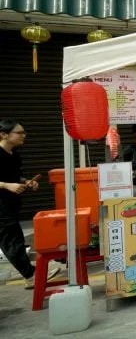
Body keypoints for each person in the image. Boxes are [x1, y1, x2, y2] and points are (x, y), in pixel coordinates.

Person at [1, 120, 60, 289]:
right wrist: (6, 185)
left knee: (13, 241)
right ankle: (31, 275)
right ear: (4, 134)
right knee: (13, 242)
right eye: (19, 133)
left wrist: (27, 182)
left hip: (10, 204)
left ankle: (30, 274)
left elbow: (15, 177)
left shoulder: (14, 155)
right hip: (1, 207)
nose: (23, 136)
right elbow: (7, 182)